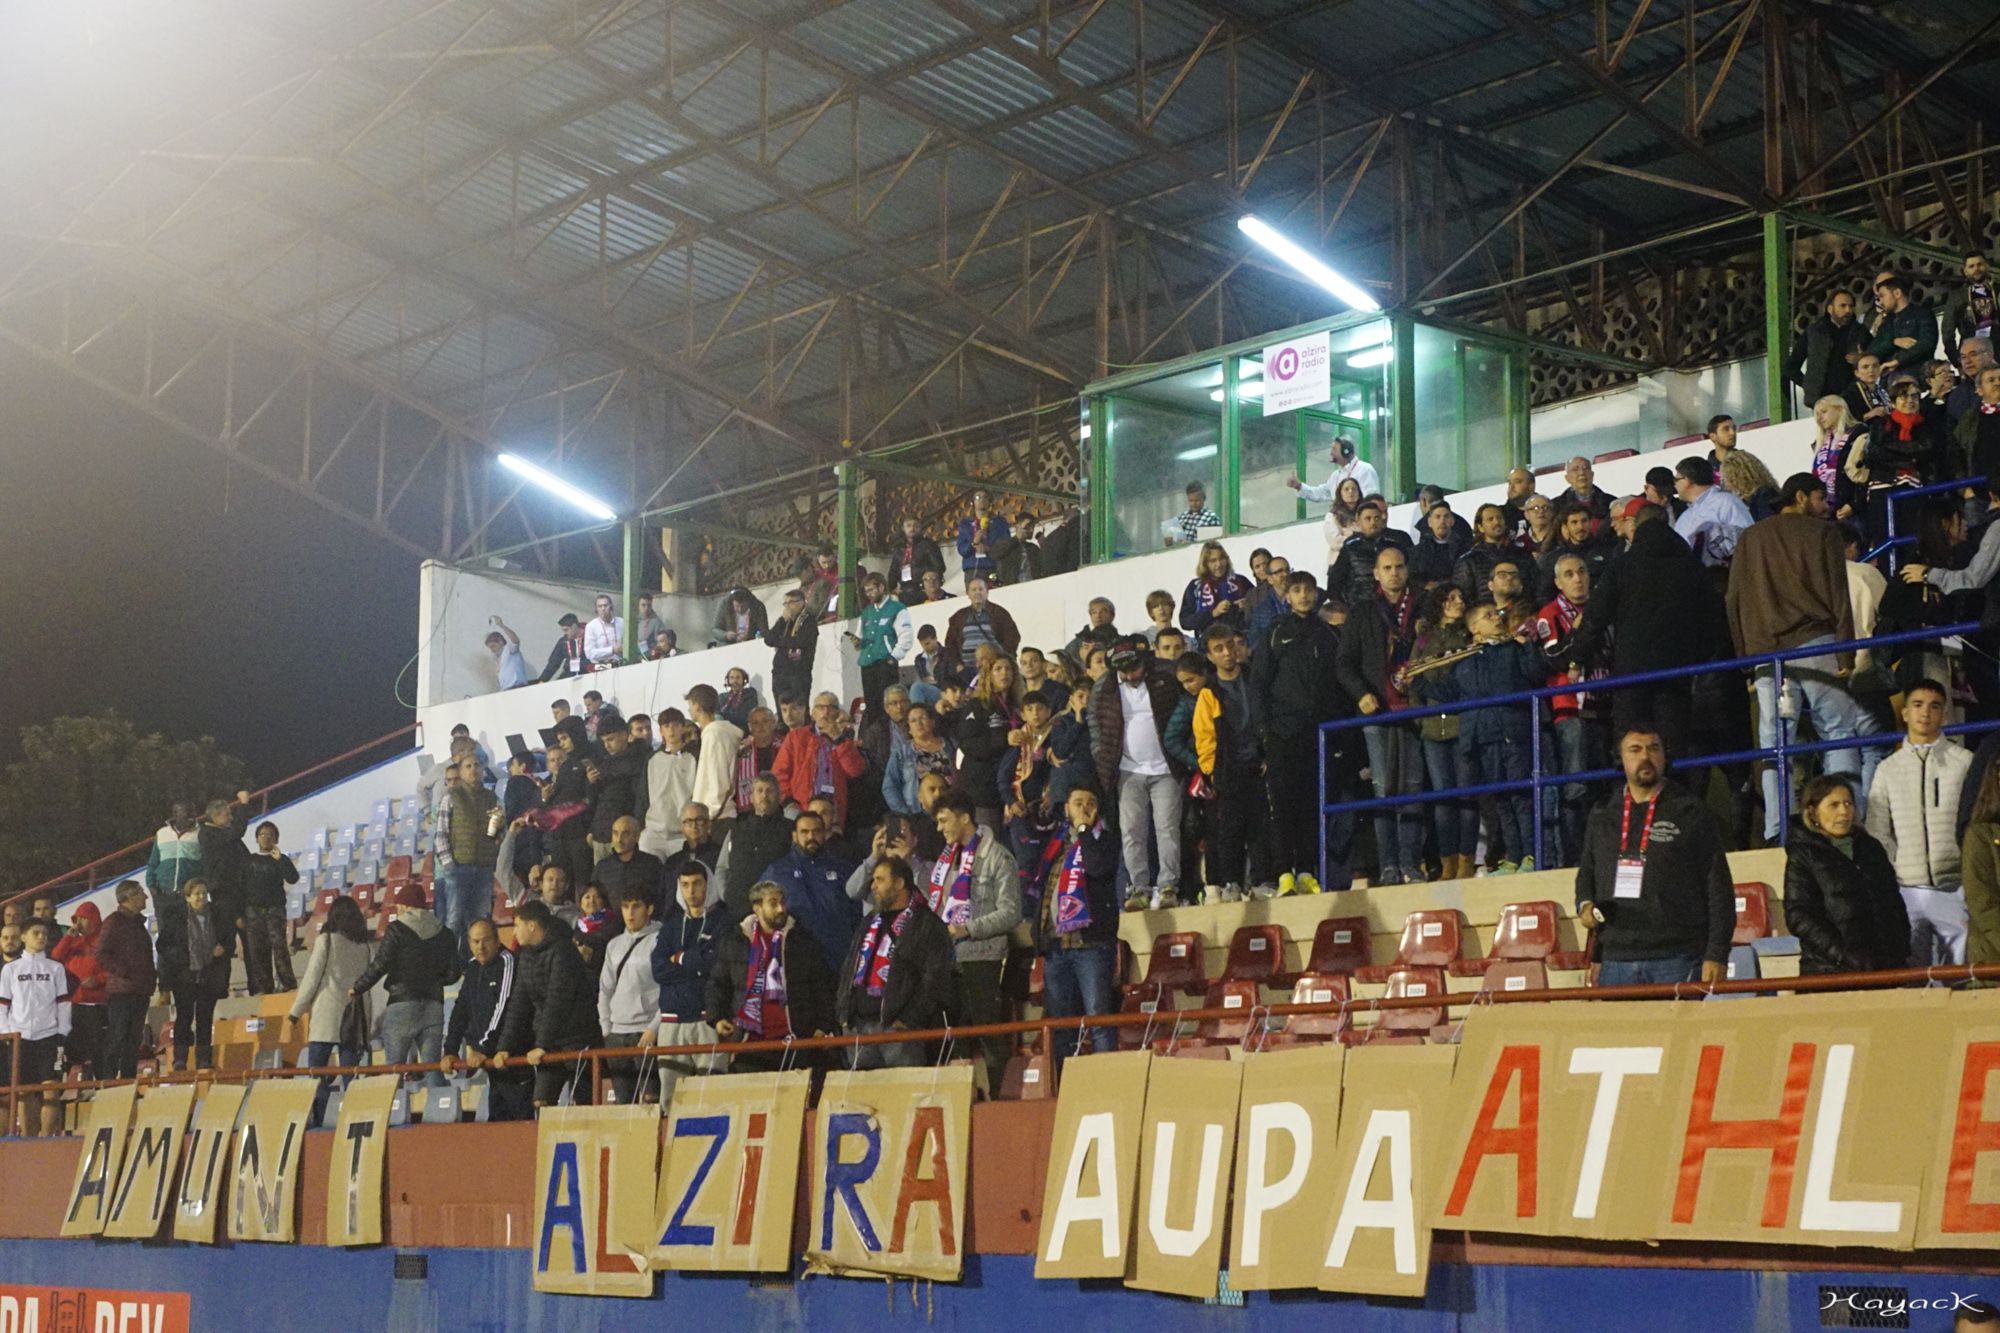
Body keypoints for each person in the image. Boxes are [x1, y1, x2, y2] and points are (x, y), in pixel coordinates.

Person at [1727, 471, 1867, 837]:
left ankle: (1778, 830)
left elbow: (1733, 599)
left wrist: (1744, 655)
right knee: (1838, 732)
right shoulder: (1823, 533)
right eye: (1821, 498)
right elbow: (1839, 596)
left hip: (1765, 655)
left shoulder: (1750, 537)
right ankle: (1844, 820)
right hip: (1818, 643)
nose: (1827, 506)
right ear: (1801, 496)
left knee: (1776, 745)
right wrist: (1845, 655)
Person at [1575, 725, 1735, 986]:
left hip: (1678, 957)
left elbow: (1718, 887)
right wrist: (1584, 905)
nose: (1645, 757)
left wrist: (1717, 953)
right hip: (1616, 960)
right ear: (1621, 758)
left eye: (1654, 748)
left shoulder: (1690, 810)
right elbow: (1587, 872)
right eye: (1635, 750)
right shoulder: (1603, 812)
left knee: (1681, 1029)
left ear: (1664, 756)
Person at [1571, 502, 1726, 758]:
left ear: (1637, 525)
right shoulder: (1691, 566)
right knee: (1672, 747)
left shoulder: (1624, 565)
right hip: (1677, 671)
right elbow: (1712, 620)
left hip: (1632, 672)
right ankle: (1671, 795)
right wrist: (1696, 658)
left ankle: (1635, 795)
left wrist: (1577, 658)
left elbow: (1595, 616)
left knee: (1630, 744)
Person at [1336, 543, 1427, 886]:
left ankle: (1412, 863)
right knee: (1383, 789)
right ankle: (1389, 864)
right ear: (1375, 573)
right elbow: (1343, 663)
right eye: (1387, 568)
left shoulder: (1421, 606)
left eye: (1399, 566)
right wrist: (1361, 694)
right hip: (1378, 710)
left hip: (1415, 707)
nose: (1394, 573)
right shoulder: (1362, 612)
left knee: (1414, 788)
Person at [1433, 602, 1546, 875]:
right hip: (1482, 737)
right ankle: (1514, 856)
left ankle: (1532, 854)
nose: (1497, 619)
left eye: (1498, 615)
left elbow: (1535, 674)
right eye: (1489, 616)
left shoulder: (1513, 649)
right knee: (1501, 801)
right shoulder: (1464, 661)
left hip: (1512, 731)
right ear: (1474, 628)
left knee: (1520, 796)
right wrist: (1414, 681)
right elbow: (1448, 692)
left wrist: (1528, 645)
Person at [1865, 680, 1972, 967]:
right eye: (1917, 705)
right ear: (1905, 713)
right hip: (1906, 889)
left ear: (1944, 715)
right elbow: (1877, 830)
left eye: (1934, 706)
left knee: (1961, 976)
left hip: (1955, 886)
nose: (1925, 713)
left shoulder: (1965, 763)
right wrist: (1894, 871)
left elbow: (1976, 822)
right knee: (1910, 974)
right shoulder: (1887, 769)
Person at [1250, 571, 1344, 895]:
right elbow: (1258, 683)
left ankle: (1306, 871)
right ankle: (1283, 874)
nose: (1304, 595)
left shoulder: (1329, 635)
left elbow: (1336, 685)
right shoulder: (1275, 632)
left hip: (1316, 733)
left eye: (1309, 589)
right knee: (1281, 806)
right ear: (1287, 595)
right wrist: (1264, 730)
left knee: (1310, 805)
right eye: (1297, 590)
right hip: (1281, 733)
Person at [924, 789, 1021, 1092]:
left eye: (944, 820)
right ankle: (961, 1101)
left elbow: (1011, 913)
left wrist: (968, 929)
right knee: (956, 1039)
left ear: (965, 818)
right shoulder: (945, 862)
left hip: (983, 958)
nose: (940, 828)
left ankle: (1001, 1099)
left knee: (990, 1036)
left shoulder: (997, 856)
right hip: (949, 962)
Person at [1089, 635, 1186, 911]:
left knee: (1167, 829)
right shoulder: (1104, 687)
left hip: (1166, 769)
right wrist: (1102, 758)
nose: (1130, 675)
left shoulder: (1166, 677)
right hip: (1127, 771)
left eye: (1134, 668)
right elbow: (1095, 724)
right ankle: (1138, 888)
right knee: (1131, 832)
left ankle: (1169, 886)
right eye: (1124, 670)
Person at [837, 855, 956, 1068]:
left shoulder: (927, 924)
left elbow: (936, 978)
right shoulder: (869, 921)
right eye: (873, 880)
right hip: (861, 1028)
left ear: (900, 883)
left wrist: (909, 1019)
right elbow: (849, 968)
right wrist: (845, 1014)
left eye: (880, 880)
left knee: (906, 1095)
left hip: (900, 1031)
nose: (873, 886)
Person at [1784, 775, 1910, 975]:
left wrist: (1900, 948)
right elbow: (1799, 915)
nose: (1844, 811)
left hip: (1886, 968)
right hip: (1830, 973)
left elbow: (1893, 901)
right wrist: (1843, 956)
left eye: (1848, 803)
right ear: (1813, 812)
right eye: (1833, 805)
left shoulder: (1871, 848)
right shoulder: (1803, 854)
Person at [1032, 784, 1120, 1069]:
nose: (1084, 808)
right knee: (1060, 1027)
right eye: (1077, 803)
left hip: (1090, 946)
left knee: (1099, 1021)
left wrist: (1084, 832)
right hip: (1057, 948)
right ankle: (1066, 1088)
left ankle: (1107, 1085)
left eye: (1090, 803)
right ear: (1066, 809)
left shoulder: (1103, 840)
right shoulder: (1055, 844)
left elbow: (1096, 867)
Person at [710, 880, 839, 1068]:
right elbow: (718, 983)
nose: (781, 908)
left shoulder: (802, 940)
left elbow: (821, 985)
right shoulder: (735, 942)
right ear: (757, 908)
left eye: (782, 902)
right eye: (773, 903)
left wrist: (823, 1025)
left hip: (796, 1042)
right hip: (749, 1043)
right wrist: (717, 1018)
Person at [1535, 552, 1611, 867]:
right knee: (1576, 784)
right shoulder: (1549, 614)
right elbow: (1552, 658)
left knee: (1606, 782)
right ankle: (1575, 858)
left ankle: (1606, 853)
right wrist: (1579, 631)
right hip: (1571, 710)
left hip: (1607, 702)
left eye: (1581, 571)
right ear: (1557, 582)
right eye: (1569, 574)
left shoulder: (1603, 607)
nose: (1578, 578)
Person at [1178, 625, 1265, 899]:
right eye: (1219, 649)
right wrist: (1212, 772)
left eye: (1231, 645)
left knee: (1260, 827)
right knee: (1230, 830)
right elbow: (1204, 737)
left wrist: (1267, 754)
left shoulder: (1254, 680)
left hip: (1258, 765)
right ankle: (1232, 883)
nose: (1227, 652)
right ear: (1210, 656)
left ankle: (1262, 881)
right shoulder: (1209, 693)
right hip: (1227, 770)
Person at [349, 883, 460, 1089]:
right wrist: (433, 981)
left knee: (394, 1072)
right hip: (434, 1005)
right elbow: (454, 973)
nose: (398, 910)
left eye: (399, 906)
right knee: (432, 1068)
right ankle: (440, 1117)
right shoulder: (445, 933)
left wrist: (358, 987)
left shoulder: (397, 929)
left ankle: (392, 1117)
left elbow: (381, 964)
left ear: (406, 906)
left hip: (402, 1004)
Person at [493, 899, 598, 1107]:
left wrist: (542, 1044)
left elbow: (557, 1001)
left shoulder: (563, 951)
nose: (514, 932)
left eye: (517, 925)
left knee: (584, 1102)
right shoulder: (526, 955)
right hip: (550, 1041)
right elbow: (518, 1003)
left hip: (577, 1037)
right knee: (541, 1101)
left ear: (531, 926)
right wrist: (505, 1046)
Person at [289, 896, 376, 1119]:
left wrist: (295, 1012)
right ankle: (354, 1119)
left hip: (326, 1016)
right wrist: (368, 1022)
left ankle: (320, 1118)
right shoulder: (364, 947)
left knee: (317, 1073)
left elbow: (311, 979)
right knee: (351, 1076)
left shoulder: (326, 941)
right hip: (353, 1018)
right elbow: (366, 989)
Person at [440, 919, 528, 1121]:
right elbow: (461, 1010)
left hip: (513, 1061)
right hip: (491, 1064)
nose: (480, 947)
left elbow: (503, 1009)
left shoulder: (508, 962)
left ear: (497, 940)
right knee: (497, 1124)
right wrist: (451, 1050)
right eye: (475, 941)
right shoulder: (472, 968)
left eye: (485, 940)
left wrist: (483, 1048)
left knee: (522, 1124)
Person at [758, 809, 858, 974]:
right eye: (804, 832)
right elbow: (762, 912)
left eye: (816, 831)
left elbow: (856, 910)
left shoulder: (842, 868)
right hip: (796, 961)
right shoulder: (777, 871)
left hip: (838, 958)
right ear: (794, 836)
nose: (811, 837)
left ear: (825, 834)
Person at [0, 920, 70, 1135]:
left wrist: (62, 1032)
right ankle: (28, 1141)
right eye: (36, 933)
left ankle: (47, 1139)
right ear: (24, 937)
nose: (42, 937)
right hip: (19, 1039)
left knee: (51, 1091)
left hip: (49, 1038)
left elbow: (64, 1002)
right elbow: (2, 1004)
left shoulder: (55, 968)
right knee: (24, 1093)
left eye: (45, 934)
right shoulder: (10, 970)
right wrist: (6, 1033)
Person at [596, 883, 663, 1106]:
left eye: (636, 906)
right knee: (624, 1105)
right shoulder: (614, 945)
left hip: (645, 1032)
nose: (630, 913)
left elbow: (669, 989)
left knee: (652, 1101)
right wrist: (606, 1027)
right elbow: (605, 989)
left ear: (649, 909)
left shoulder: (660, 940)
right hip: (617, 1034)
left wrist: (653, 1028)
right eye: (625, 907)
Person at [160, 878, 232, 1071]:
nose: (201, 897)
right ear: (187, 897)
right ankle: (180, 1059)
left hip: (209, 974)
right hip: (184, 976)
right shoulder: (176, 918)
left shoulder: (217, 915)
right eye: (197, 893)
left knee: (205, 1019)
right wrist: (181, 958)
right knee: (184, 1018)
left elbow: (229, 939)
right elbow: (163, 946)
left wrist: (223, 948)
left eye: (203, 893)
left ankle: (203, 1059)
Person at [771, 691, 867, 831]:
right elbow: (779, 773)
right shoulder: (796, 737)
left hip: (833, 812)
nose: (826, 712)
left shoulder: (845, 740)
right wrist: (788, 803)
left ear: (838, 713)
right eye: (821, 707)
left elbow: (855, 771)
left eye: (832, 708)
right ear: (813, 713)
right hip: (801, 808)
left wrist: (838, 740)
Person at [434, 758, 500, 956]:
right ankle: (448, 964)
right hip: (458, 867)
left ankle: (475, 962)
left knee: (481, 919)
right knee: (454, 920)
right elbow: (441, 834)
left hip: (483, 868)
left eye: (476, 765)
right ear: (461, 772)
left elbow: (497, 832)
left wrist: (497, 835)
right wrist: (449, 866)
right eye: (468, 766)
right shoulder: (450, 797)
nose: (473, 770)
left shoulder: (492, 798)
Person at [956, 657, 1025, 831]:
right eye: (998, 669)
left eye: (1008, 669)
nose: (1004, 673)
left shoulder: (1018, 707)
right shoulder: (977, 705)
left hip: (1012, 789)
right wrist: (1004, 740)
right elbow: (968, 743)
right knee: (987, 843)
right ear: (988, 675)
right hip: (983, 789)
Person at [96, 881, 155, 1081]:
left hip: (139, 989)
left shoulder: (136, 923)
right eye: (141, 893)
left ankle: (128, 1081)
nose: (146, 897)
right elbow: (101, 953)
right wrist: (123, 971)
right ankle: (108, 1080)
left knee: (132, 1040)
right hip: (123, 991)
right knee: (118, 1036)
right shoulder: (115, 921)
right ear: (129, 897)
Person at [715, 774, 795, 918]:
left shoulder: (791, 829)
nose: (764, 795)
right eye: (759, 790)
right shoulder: (736, 829)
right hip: (737, 910)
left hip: (776, 914)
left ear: (779, 795)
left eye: (770, 791)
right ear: (751, 797)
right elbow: (722, 868)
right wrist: (726, 894)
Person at [239, 821, 300, 994]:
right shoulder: (249, 861)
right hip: (253, 911)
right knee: (258, 951)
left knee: (279, 947)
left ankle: (287, 983)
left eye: (270, 835)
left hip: (275, 909)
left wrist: (280, 860)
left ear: (276, 839)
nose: (266, 838)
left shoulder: (280, 859)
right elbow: (241, 887)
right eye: (262, 835)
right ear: (257, 838)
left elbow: (293, 878)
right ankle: (263, 987)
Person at [1784, 287, 1867, 409]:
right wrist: (1809, 385)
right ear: (1830, 309)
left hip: (1853, 399)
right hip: (1822, 402)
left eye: (1851, 306)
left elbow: (1876, 357)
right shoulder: (1813, 332)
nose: (1848, 310)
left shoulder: (1861, 332)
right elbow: (1790, 367)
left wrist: (1862, 358)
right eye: (1843, 306)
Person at [50, 904, 105, 1080]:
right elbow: (55, 959)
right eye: (77, 919)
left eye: (84, 918)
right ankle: (75, 1080)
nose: (80, 923)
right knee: (73, 1046)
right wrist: (68, 938)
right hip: (74, 1002)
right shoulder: (73, 942)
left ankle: (99, 1080)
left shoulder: (104, 941)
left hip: (96, 1003)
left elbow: (113, 967)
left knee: (96, 1047)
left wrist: (98, 980)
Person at [1331, 499, 1413, 610]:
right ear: (1358, 522)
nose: (1373, 522)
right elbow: (1335, 583)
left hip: (1394, 607)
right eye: (1368, 519)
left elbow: (1410, 575)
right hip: (1359, 608)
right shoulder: (1350, 548)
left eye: (1376, 518)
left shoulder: (1395, 547)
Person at [1671, 456, 1752, 569]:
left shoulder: (1726, 502)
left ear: (1688, 480)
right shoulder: (1685, 516)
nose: (1674, 485)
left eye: (1676, 480)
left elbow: (1747, 540)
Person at [682, 684, 744, 829]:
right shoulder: (715, 733)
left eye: (690, 704)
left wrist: (705, 817)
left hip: (717, 819)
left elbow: (719, 782)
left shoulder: (714, 735)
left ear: (697, 705)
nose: (689, 709)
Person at [854, 570, 915, 717]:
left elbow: (906, 636)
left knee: (888, 705)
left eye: (871, 590)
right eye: (866, 591)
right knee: (871, 706)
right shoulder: (866, 612)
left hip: (885, 662)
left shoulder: (897, 608)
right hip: (867, 663)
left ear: (881, 587)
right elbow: (859, 637)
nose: (868, 594)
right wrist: (857, 643)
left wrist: (893, 657)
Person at [1290, 433, 1381, 529]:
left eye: (1334, 449)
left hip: (1361, 526)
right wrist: (1299, 486)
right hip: (1340, 526)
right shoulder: (1335, 476)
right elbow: (1320, 493)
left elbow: (1372, 501)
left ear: (1346, 451)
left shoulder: (1365, 470)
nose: (1331, 453)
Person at [638, 710, 697, 858]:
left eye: (676, 725)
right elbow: (643, 794)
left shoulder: (692, 758)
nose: (671, 730)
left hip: (682, 833)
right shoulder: (652, 759)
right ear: (660, 730)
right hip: (654, 831)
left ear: (683, 728)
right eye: (666, 726)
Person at [885, 701, 955, 816]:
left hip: (950, 811)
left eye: (922, 718)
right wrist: (905, 814)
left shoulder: (950, 746)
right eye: (913, 721)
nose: (918, 723)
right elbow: (890, 786)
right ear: (909, 728)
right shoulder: (901, 752)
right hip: (916, 814)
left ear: (932, 722)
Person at [589, 814, 665, 918]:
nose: (619, 839)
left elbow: (661, 898)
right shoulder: (602, 867)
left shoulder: (652, 864)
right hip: (608, 927)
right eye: (615, 833)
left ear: (637, 837)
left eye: (625, 834)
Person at [1179, 540, 1255, 638]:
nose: (1219, 564)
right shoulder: (1195, 587)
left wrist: (1247, 605)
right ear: (1205, 563)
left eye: (1222, 559)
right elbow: (1185, 621)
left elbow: (1259, 606)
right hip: (1208, 644)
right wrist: (1213, 613)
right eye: (1213, 561)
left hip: (1240, 640)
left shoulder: (1240, 581)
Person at [943, 573, 1021, 668]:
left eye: (981, 589)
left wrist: (1004, 659)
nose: (977, 592)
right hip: (967, 669)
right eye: (973, 590)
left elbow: (1013, 637)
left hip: (994, 667)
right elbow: (950, 644)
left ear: (987, 592)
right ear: (968, 594)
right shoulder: (958, 617)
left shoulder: (999, 613)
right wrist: (957, 664)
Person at [1867, 274, 1938, 376]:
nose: (1880, 302)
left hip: (1917, 377)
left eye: (1882, 296)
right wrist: (1893, 342)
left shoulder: (1922, 314)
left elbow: (1926, 344)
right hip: (1889, 381)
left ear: (1897, 293)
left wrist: (1898, 360)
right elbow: (1872, 350)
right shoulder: (1887, 322)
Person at [764, 588, 819, 706]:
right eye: (785, 603)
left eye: (791, 602)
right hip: (780, 672)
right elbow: (768, 639)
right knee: (781, 708)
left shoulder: (809, 620)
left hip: (798, 672)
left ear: (802, 602)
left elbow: (800, 641)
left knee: (798, 708)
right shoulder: (784, 622)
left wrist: (778, 642)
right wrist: (782, 620)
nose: (787, 606)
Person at [1411, 498, 1472, 588]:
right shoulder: (1418, 551)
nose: (1442, 521)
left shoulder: (1465, 549)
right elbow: (1412, 577)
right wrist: (1425, 585)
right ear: (1430, 522)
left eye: (1446, 516)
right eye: (1437, 517)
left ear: (1452, 521)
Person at [957, 491, 1012, 583]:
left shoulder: (1000, 523)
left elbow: (1006, 545)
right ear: (973, 502)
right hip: (973, 568)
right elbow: (962, 550)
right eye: (978, 497)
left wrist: (989, 548)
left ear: (990, 501)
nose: (982, 500)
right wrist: (974, 542)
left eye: (985, 497)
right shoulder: (965, 524)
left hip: (994, 566)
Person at [891, 517, 947, 604]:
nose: (912, 528)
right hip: (905, 591)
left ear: (920, 528)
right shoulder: (899, 548)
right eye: (908, 526)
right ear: (903, 528)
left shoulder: (928, 545)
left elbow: (939, 566)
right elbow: (893, 570)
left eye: (915, 526)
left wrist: (929, 584)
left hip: (923, 590)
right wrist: (892, 588)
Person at [539, 613, 589, 682]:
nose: (565, 633)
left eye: (566, 630)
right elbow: (553, 663)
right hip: (569, 675)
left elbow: (595, 658)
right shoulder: (563, 642)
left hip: (588, 673)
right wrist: (542, 680)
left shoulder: (590, 636)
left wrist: (580, 664)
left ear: (574, 626)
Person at [1169, 481, 1221, 546]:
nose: (1194, 504)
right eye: (1191, 500)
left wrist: (1190, 545)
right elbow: (1172, 542)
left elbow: (1214, 545)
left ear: (1204, 499)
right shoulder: (1182, 518)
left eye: (1197, 500)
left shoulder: (1212, 518)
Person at [580, 593, 624, 668]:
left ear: (611, 607)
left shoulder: (622, 622)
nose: (603, 608)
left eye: (605, 605)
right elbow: (589, 653)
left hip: (621, 664)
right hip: (600, 666)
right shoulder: (591, 626)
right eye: (600, 606)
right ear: (596, 609)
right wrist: (612, 650)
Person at [485, 617, 529, 690]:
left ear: (500, 641)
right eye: (490, 648)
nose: (492, 650)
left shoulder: (509, 649)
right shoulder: (498, 658)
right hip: (507, 690)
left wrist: (501, 625)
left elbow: (515, 640)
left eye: (493, 646)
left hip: (517, 687)